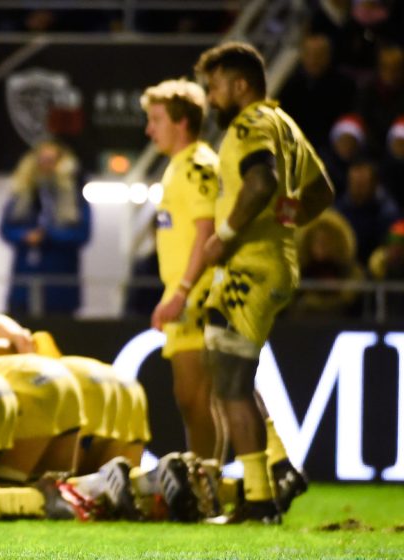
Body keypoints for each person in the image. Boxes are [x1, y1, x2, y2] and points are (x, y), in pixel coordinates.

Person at [195, 42, 334, 523]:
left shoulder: (250, 123)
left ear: (240, 85)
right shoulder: (285, 123)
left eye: (214, 88)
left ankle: (259, 500)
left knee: (230, 382)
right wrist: (289, 221)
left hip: (249, 266)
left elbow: (260, 182)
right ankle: (274, 473)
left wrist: (225, 236)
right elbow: (322, 190)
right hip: (273, 261)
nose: (210, 98)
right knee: (230, 374)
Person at [140, 79, 222, 460]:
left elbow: (207, 232)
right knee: (194, 397)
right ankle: (209, 479)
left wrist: (183, 291)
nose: (149, 129)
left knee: (198, 396)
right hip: (184, 289)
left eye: (156, 119)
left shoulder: (197, 166)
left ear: (182, 122)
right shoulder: (178, 167)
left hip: (200, 292)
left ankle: (210, 480)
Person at [0, 140, 91, 316]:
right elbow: (5, 228)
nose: (46, 166)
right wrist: (25, 236)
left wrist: (49, 235)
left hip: (60, 286)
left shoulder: (74, 199)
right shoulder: (22, 195)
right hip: (24, 284)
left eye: (51, 160)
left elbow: (82, 234)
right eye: (42, 160)